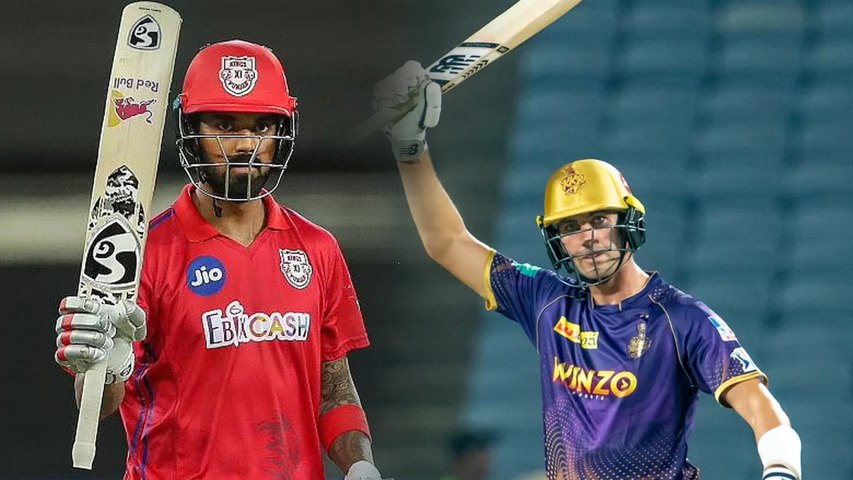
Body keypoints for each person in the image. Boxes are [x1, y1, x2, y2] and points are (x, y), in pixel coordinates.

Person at [373, 61, 802, 480]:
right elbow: (447, 243)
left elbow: (762, 408)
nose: (587, 237)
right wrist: (411, 149)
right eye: (570, 227)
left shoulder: (681, 319)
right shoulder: (545, 300)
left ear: (627, 222)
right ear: (557, 240)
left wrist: (780, 470)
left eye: (599, 219)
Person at [54, 40, 384, 480]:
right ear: (191, 130)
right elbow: (96, 405)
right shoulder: (144, 251)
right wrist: (108, 363)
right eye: (225, 126)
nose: (245, 144)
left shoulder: (317, 248)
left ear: (282, 131)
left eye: (262, 126)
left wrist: (360, 464)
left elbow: (335, 392)